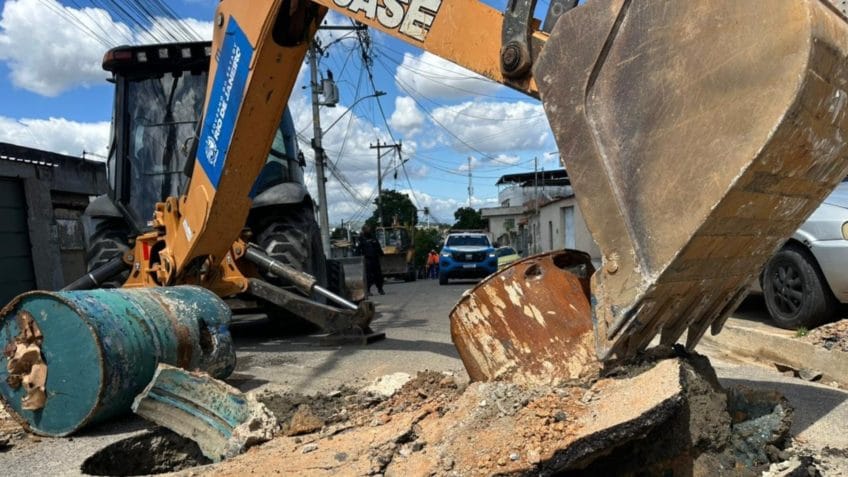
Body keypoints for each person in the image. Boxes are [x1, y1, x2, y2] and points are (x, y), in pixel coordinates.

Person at [359, 225, 385, 296]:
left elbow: (378, 246)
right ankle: (368, 290)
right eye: (367, 229)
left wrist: (381, 254)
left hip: (375, 259)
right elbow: (358, 249)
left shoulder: (373, 237)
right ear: (364, 230)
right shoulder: (361, 239)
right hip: (367, 260)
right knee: (368, 276)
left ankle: (380, 289)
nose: (369, 230)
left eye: (369, 228)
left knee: (378, 275)